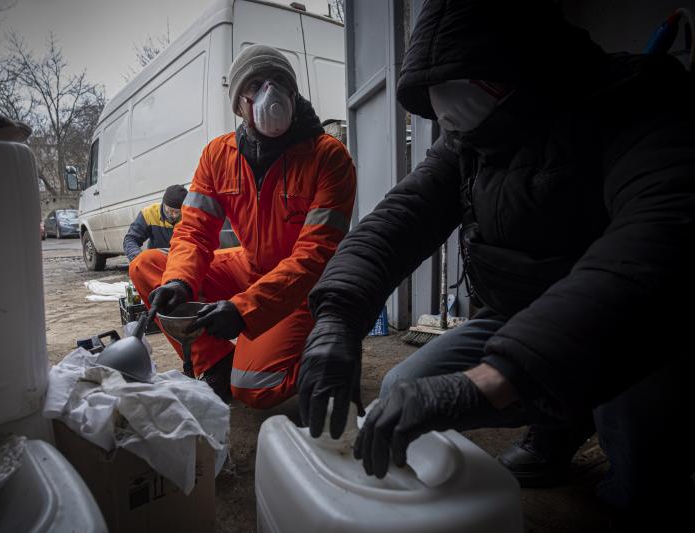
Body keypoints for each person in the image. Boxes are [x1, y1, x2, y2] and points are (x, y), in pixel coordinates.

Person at [297, 0, 695, 527]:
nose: (454, 121)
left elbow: (657, 246)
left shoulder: (639, 101)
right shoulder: (471, 139)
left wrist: (493, 379)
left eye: (470, 93)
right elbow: (400, 218)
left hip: (630, 328)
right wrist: (337, 315)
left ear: (526, 65)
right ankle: (558, 426)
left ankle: (636, 490)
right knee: (400, 395)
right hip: (517, 314)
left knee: (635, 433)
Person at [129, 44, 356, 408]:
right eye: (257, 84)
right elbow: (194, 232)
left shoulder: (328, 158)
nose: (272, 93)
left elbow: (314, 258)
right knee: (148, 267)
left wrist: (243, 311)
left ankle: (328, 354)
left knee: (255, 385)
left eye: (281, 82)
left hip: (301, 289)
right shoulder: (219, 155)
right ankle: (218, 364)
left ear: (294, 94)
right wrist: (179, 281)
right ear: (238, 103)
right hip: (249, 268)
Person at [122, 184, 188, 262]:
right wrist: (138, 259)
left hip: (182, 260)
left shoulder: (190, 217)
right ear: (163, 203)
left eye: (177, 212)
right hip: (157, 261)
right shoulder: (149, 213)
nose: (172, 215)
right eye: (169, 210)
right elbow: (130, 239)